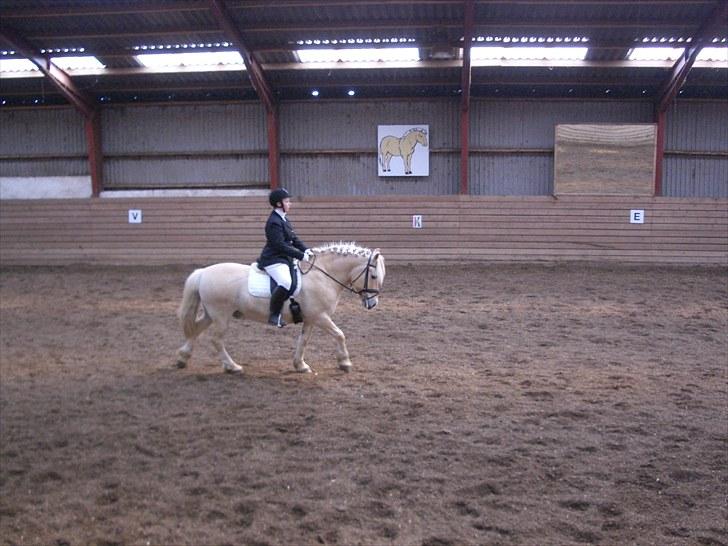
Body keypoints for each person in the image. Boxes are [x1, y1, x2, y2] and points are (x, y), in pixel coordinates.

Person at [258, 188, 311, 327]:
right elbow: (280, 245)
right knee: (286, 282)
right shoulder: (274, 222)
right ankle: (274, 314)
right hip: (273, 259)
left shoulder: (284, 219)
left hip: (284, 258)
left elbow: (293, 238)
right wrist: (300, 255)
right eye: (287, 201)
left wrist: (307, 250)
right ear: (279, 204)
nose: (290, 204)